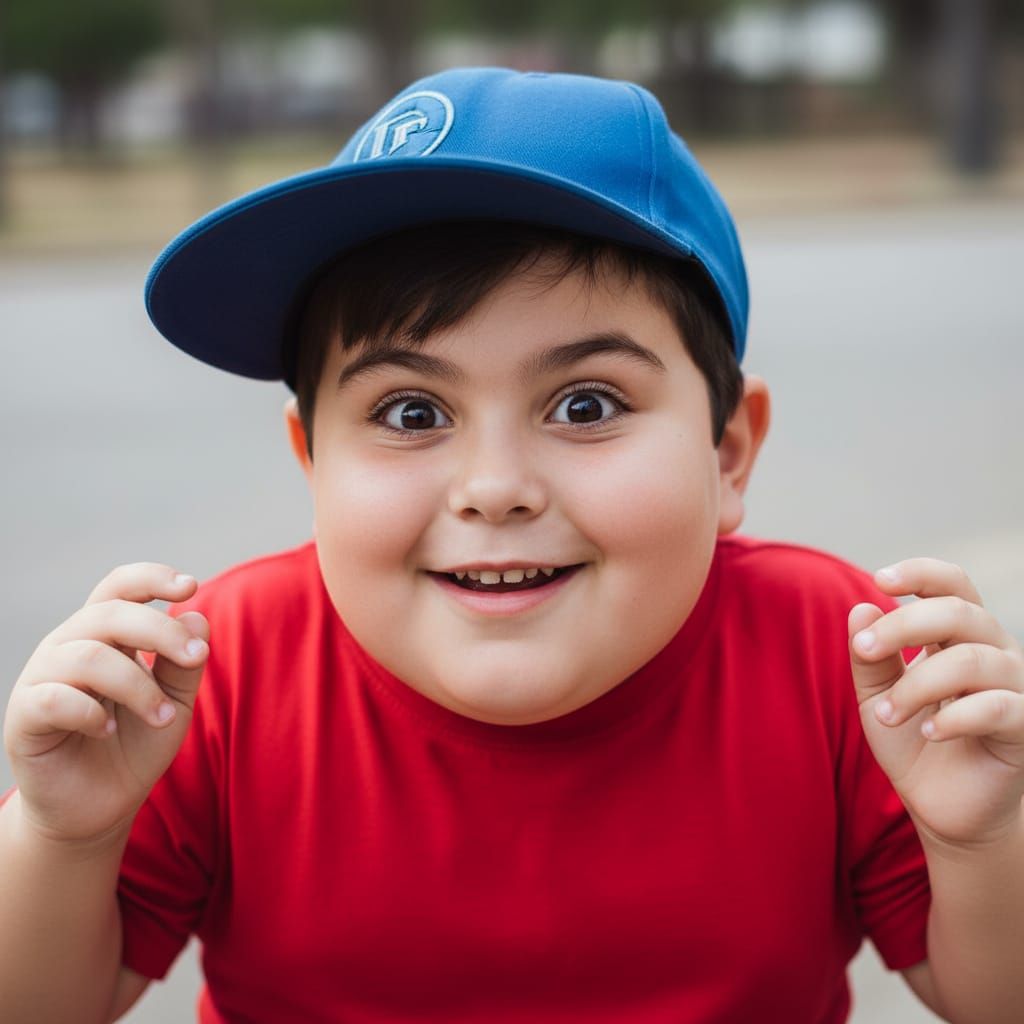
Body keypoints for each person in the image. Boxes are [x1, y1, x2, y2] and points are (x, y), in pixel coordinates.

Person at [1, 67, 1022, 1024]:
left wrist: (980, 837)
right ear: (311, 460)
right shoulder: (210, 672)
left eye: (585, 403)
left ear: (728, 455)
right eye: (409, 412)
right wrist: (65, 836)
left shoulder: (840, 658)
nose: (494, 488)